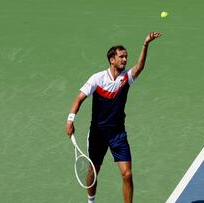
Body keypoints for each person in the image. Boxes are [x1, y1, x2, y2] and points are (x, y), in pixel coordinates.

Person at [65, 32, 162, 203]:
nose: (125, 60)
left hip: (117, 133)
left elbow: (139, 67)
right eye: (121, 57)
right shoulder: (98, 78)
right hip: (98, 134)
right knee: (93, 171)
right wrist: (70, 119)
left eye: (126, 57)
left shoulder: (126, 78)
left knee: (127, 174)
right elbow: (79, 98)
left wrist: (145, 44)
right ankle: (91, 201)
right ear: (112, 59)